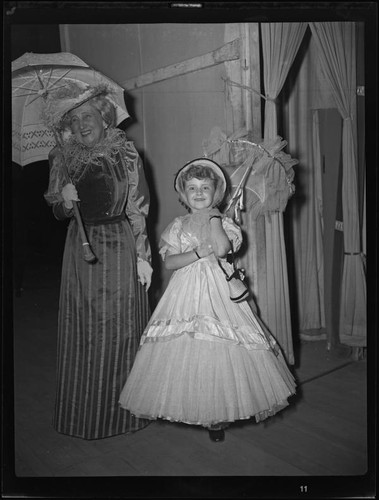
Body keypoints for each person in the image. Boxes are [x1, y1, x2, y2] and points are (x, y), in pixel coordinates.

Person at [119, 158, 296, 442]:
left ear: (216, 194)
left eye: (205, 187)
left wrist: (214, 219)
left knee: (220, 346)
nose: (198, 192)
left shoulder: (224, 223)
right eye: (192, 187)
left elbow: (224, 248)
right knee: (189, 346)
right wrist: (198, 254)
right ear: (183, 195)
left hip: (218, 291)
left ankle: (217, 414)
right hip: (185, 291)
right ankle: (191, 401)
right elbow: (171, 262)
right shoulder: (178, 225)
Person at [43, 82, 153, 439]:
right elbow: (58, 212)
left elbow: (138, 207)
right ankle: (85, 415)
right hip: (81, 247)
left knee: (120, 326)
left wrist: (143, 256)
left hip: (120, 243)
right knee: (86, 326)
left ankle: (126, 414)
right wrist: (64, 199)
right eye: (73, 121)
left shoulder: (126, 153)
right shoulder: (62, 156)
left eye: (87, 116)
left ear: (104, 117)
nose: (81, 125)